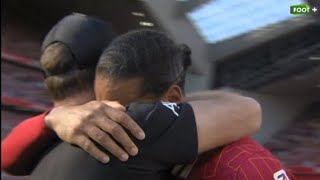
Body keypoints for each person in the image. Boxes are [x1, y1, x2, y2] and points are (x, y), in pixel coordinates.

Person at [1, 16, 260, 178]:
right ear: (105, 73)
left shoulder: (34, 154)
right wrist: (173, 102)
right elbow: (248, 111)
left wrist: (51, 118)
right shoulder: (129, 126)